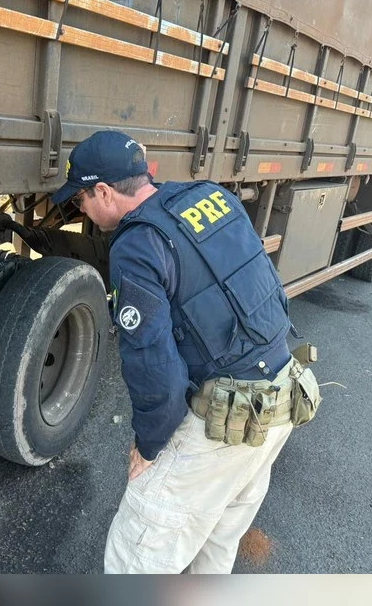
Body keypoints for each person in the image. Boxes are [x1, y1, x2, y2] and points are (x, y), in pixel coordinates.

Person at [50, 130, 316, 574]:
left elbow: (155, 367)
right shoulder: (210, 196)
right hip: (283, 397)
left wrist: (149, 446)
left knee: (136, 555)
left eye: (81, 200)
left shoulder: (136, 245)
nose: (83, 211)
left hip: (226, 422)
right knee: (216, 542)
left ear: (103, 191)